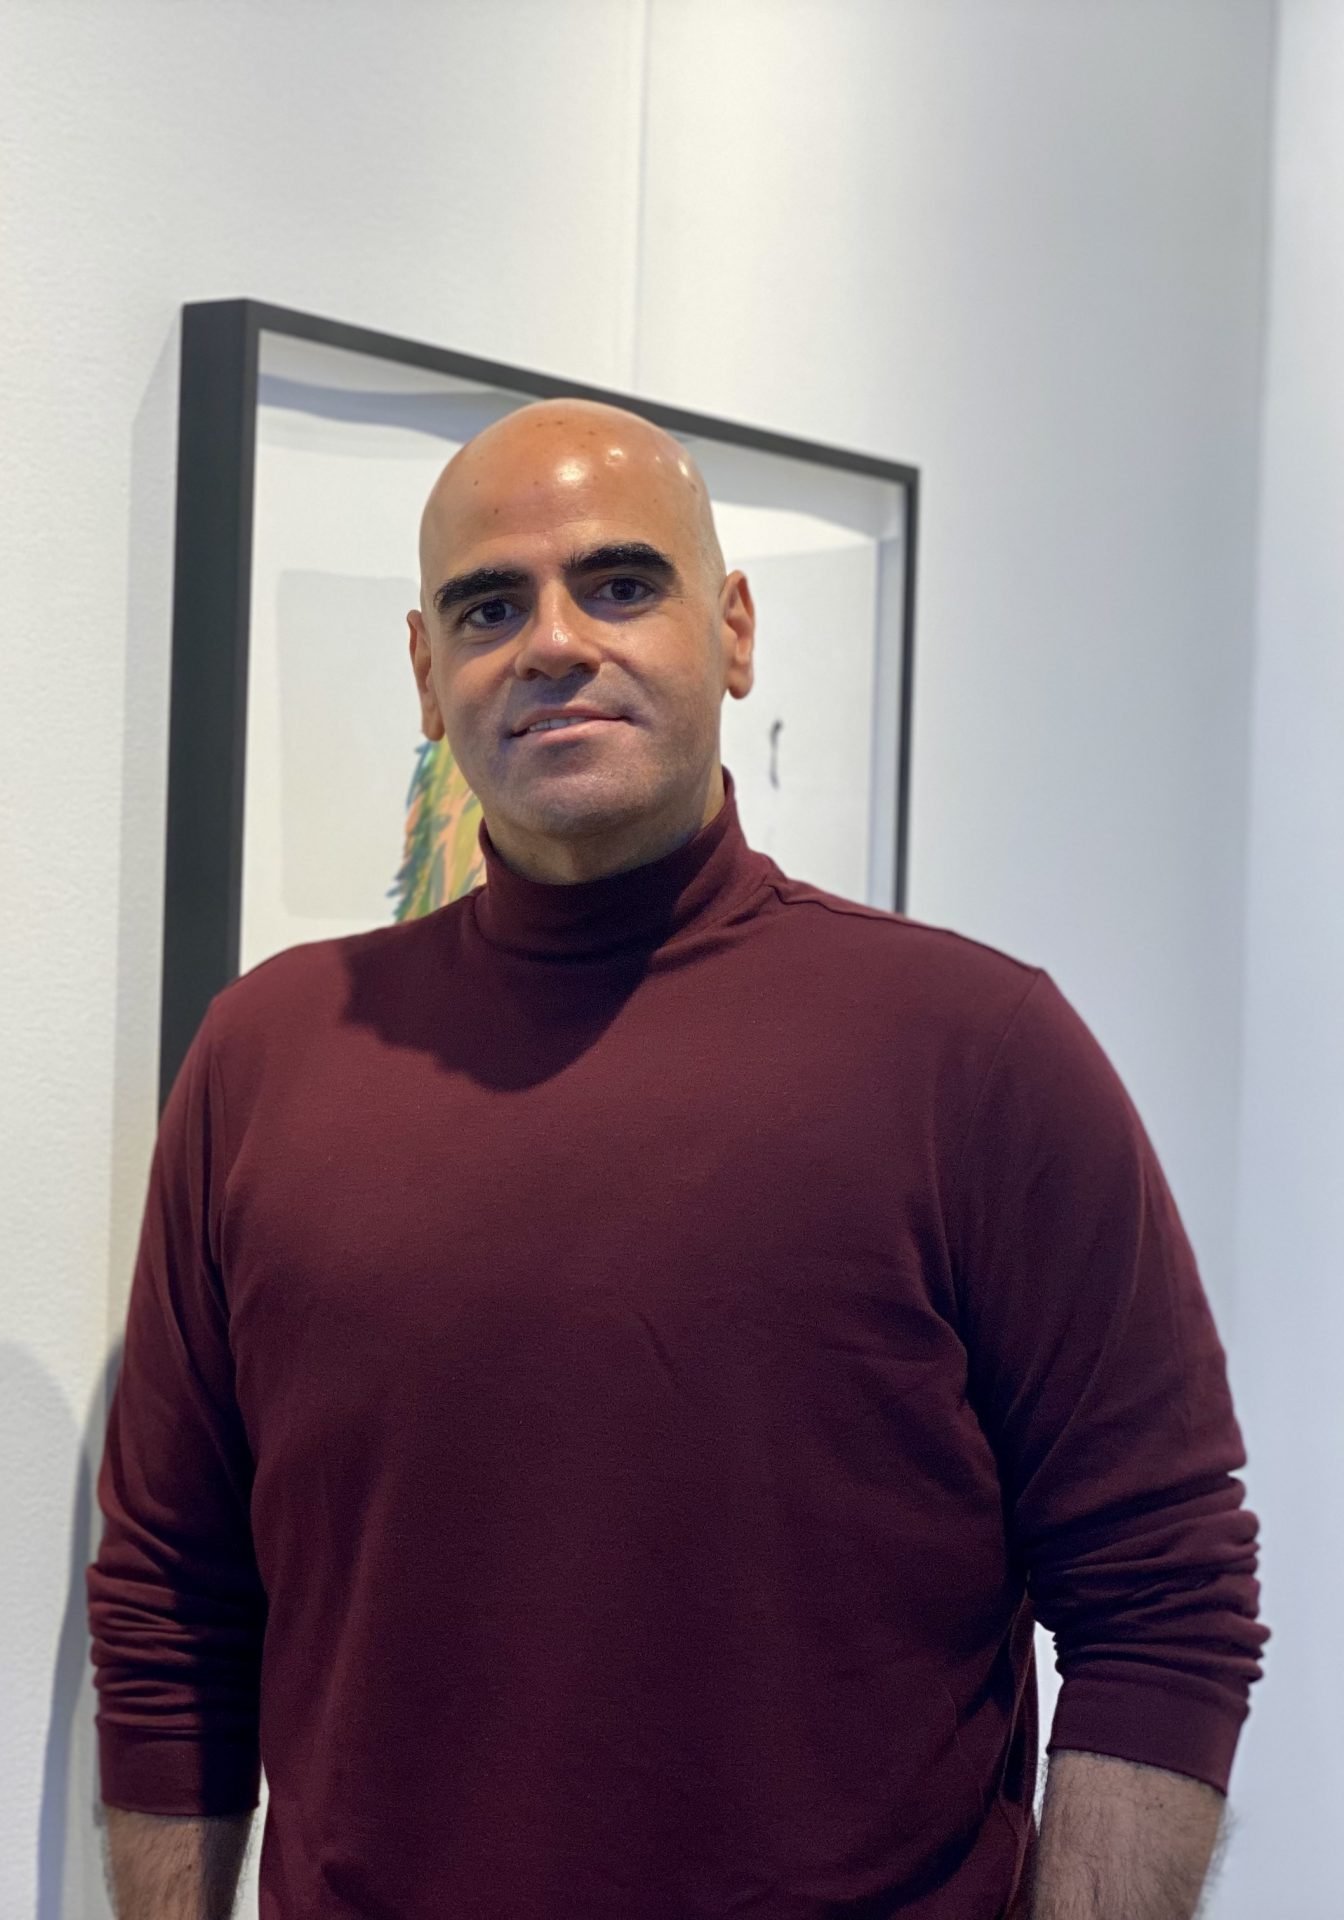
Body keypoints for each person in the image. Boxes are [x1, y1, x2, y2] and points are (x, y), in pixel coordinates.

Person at [85, 399, 1266, 1919]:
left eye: (620, 584)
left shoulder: (974, 1052)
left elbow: (1163, 1598)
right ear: (427, 675)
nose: (555, 642)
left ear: (737, 632)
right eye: (489, 606)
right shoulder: (267, 1059)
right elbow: (174, 1598)